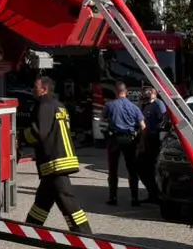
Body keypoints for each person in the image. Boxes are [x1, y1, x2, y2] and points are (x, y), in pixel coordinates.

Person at [23, 74, 92, 234]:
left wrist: (20, 137)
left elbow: (40, 132)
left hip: (55, 161)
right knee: (44, 199)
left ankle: (84, 233)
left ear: (44, 89)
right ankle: (31, 229)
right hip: (60, 159)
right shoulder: (58, 105)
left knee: (67, 199)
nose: (33, 90)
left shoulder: (44, 104)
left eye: (35, 88)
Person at [103, 81, 145, 206]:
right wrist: (141, 142)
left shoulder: (109, 105)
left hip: (114, 139)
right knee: (132, 169)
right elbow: (143, 126)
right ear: (126, 93)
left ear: (115, 92)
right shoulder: (134, 107)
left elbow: (102, 119)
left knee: (113, 169)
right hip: (130, 140)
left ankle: (113, 197)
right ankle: (134, 198)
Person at [134, 86, 166, 204]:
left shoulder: (158, 105)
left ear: (154, 93)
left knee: (151, 167)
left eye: (147, 96)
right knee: (142, 167)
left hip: (154, 140)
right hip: (144, 138)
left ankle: (156, 195)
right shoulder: (144, 104)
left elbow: (162, 122)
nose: (144, 99)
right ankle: (152, 193)